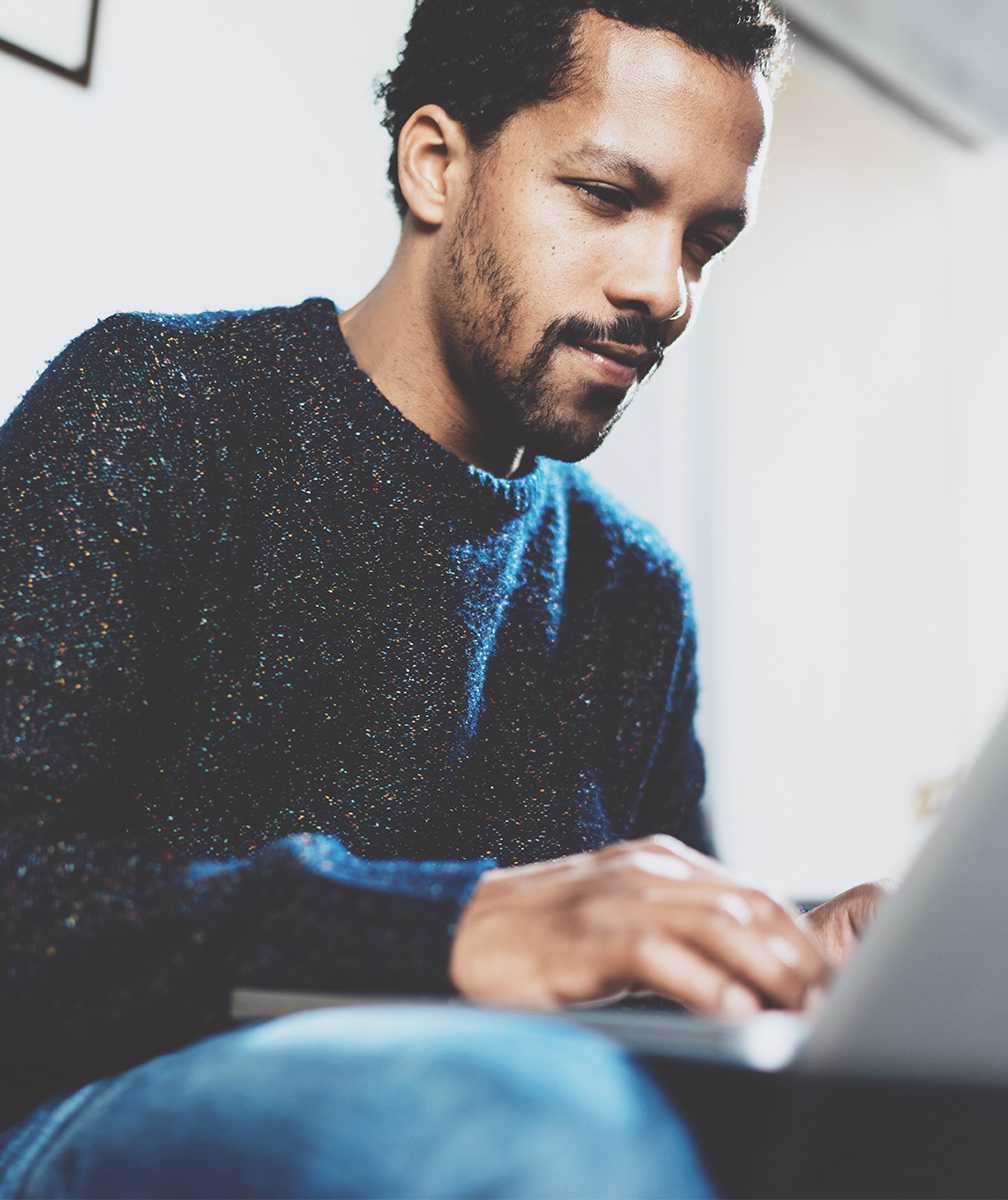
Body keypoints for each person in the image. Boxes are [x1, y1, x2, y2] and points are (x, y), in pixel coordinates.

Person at [0, 1, 884, 1195]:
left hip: (524, 1110)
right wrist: (454, 926)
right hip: (105, 1101)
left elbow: (626, 957)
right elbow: (23, 890)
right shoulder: (158, 409)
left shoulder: (633, 592)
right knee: (529, 1120)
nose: (663, 289)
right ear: (436, 164)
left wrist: (777, 942)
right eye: (609, 196)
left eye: (707, 240)